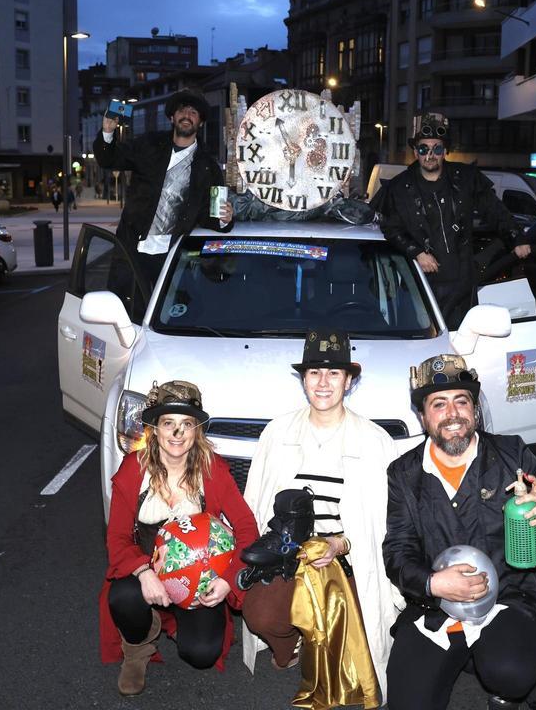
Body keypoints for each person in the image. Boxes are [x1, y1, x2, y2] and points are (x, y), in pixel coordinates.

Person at [382, 354, 536, 710]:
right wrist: (434, 583)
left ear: (475, 411)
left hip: (508, 596)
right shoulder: (404, 472)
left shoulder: (512, 455)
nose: (453, 414)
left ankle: (502, 692)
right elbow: (397, 551)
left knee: (510, 672)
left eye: (462, 401)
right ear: (423, 416)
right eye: (439, 404)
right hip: (435, 605)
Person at [241, 329, 402, 703]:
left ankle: (325, 636)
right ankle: (289, 646)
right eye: (314, 372)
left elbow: (388, 522)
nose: (324, 382)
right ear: (303, 379)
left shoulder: (375, 441)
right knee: (261, 615)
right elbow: (254, 504)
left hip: (347, 558)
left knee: (352, 643)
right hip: (288, 556)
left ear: (349, 381)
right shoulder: (277, 433)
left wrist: (341, 543)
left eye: (334, 373)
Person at [99, 380, 258, 697]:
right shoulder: (134, 468)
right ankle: (138, 647)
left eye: (187, 424)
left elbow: (247, 529)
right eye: (168, 423)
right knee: (123, 598)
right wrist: (145, 573)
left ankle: (179, 620)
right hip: (145, 572)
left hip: (199, 578)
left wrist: (226, 580)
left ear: (197, 430)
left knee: (201, 654)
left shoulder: (212, 469)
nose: (177, 433)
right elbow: (116, 537)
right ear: (154, 429)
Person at [377, 113, 531, 329]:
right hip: (421, 285)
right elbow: (390, 228)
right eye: (423, 149)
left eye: (437, 148)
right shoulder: (399, 188)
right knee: (424, 346)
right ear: (415, 152)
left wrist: (516, 237)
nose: (430, 155)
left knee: (460, 347)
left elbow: (495, 210)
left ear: (445, 151)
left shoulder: (465, 178)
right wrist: (417, 253)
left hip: (461, 284)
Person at [93, 89, 234, 317]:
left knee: (173, 317)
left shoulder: (208, 167)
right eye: (182, 110)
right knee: (125, 316)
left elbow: (211, 217)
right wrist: (108, 132)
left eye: (193, 112)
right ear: (172, 118)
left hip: (173, 256)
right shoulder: (148, 145)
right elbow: (109, 158)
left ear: (200, 123)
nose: (187, 115)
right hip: (132, 251)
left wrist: (226, 220)